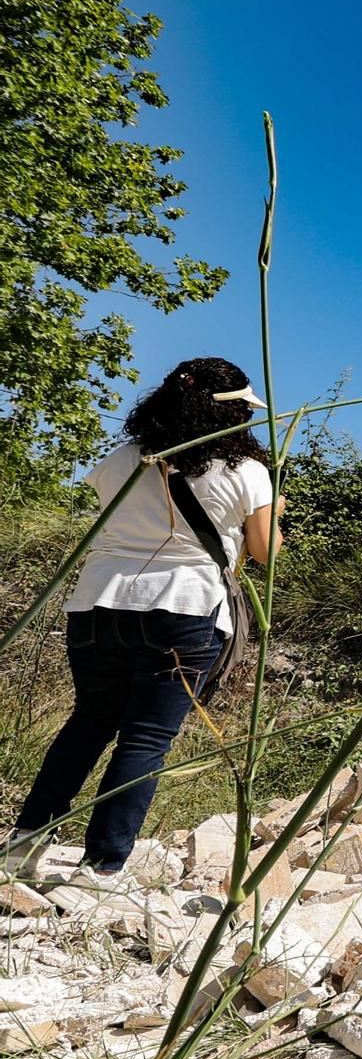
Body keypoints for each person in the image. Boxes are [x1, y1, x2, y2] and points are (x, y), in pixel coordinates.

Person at [7, 358, 283, 879]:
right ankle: (101, 868)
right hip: (184, 606)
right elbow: (264, 553)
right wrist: (276, 509)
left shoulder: (121, 460)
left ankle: (23, 843)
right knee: (146, 739)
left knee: (88, 723)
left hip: (97, 601)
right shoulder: (246, 472)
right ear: (234, 414)